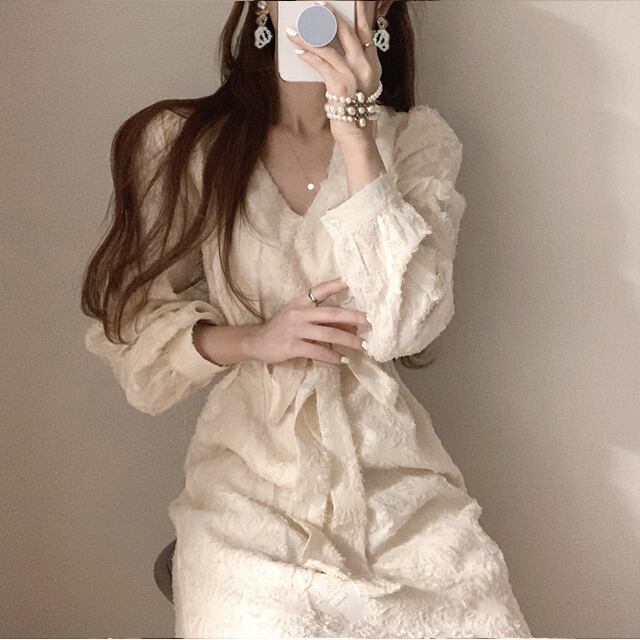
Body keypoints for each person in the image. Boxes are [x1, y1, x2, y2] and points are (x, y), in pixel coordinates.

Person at [81, 1, 533, 637]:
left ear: (381, 9)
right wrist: (254, 340)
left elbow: (405, 325)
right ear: (265, 3)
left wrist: (356, 131)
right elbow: (133, 340)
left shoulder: (417, 142)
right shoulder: (183, 144)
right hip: (249, 482)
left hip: (394, 485)